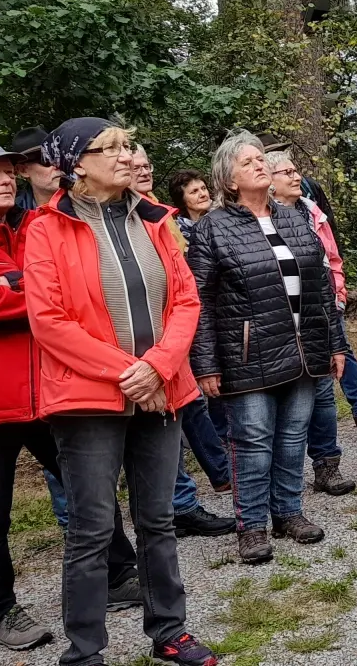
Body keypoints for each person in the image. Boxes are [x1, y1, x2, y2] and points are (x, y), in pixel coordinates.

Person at [0, 138, 156, 650]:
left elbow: (78, 286)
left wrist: (15, 285)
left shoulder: (37, 224)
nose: (5, 179)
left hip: (51, 392)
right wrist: (37, 293)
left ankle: (117, 575)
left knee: (89, 491)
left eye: (8, 170)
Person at [23, 118, 217, 666]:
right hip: (88, 402)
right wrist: (130, 372)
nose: (125, 155)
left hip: (161, 390)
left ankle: (170, 631)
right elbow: (49, 321)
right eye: (109, 148)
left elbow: (186, 301)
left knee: (157, 520)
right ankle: (85, 651)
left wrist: (158, 367)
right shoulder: (46, 229)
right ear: (76, 164)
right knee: (92, 529)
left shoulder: (155, 218)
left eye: (127, 145)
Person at [188, 132, 343, 565]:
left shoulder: (294, 219)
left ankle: (288, 513)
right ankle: (252, 525)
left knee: (293, 437)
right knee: (253, 442)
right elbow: (199, 301)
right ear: (229, 180)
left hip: (304, 349)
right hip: (246, 355)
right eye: (248, 162)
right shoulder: (212, 228)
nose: (260, 165)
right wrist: (206, 364)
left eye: (261, 159)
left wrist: (335, 343)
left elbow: (322, 287)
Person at [130, 145, 237, 533]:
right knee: (172, 413)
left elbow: (181, 276)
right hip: (143, 339)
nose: (143, 170)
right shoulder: (124, 218)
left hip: (176, 327)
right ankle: (178, 504)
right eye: (134, 165)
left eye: (147, 163)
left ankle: (204, 487)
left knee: (187, 406)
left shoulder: (156, 212)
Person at [266, 149, 357, 493]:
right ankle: (278, 482)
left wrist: (338, 293)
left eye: (295, 170)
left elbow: (332, 258)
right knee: (284, 401)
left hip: (322, 311)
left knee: (325, 394)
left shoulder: (312, 211)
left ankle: (327, 467)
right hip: (279, 320)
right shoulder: (259, 219)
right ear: (268, 182)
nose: (296, 177)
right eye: (286, 172)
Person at [10, 126, 60, 211]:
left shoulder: (84, 202)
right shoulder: (12, 214)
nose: (57, 166)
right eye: (45, 160)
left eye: (58, 158)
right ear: (23, 170)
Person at [168, 168, 212, 244]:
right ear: (181, 200)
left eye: (204, 188)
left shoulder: (224, 218)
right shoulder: (175, 232)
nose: (203, 194)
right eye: (194, 191)